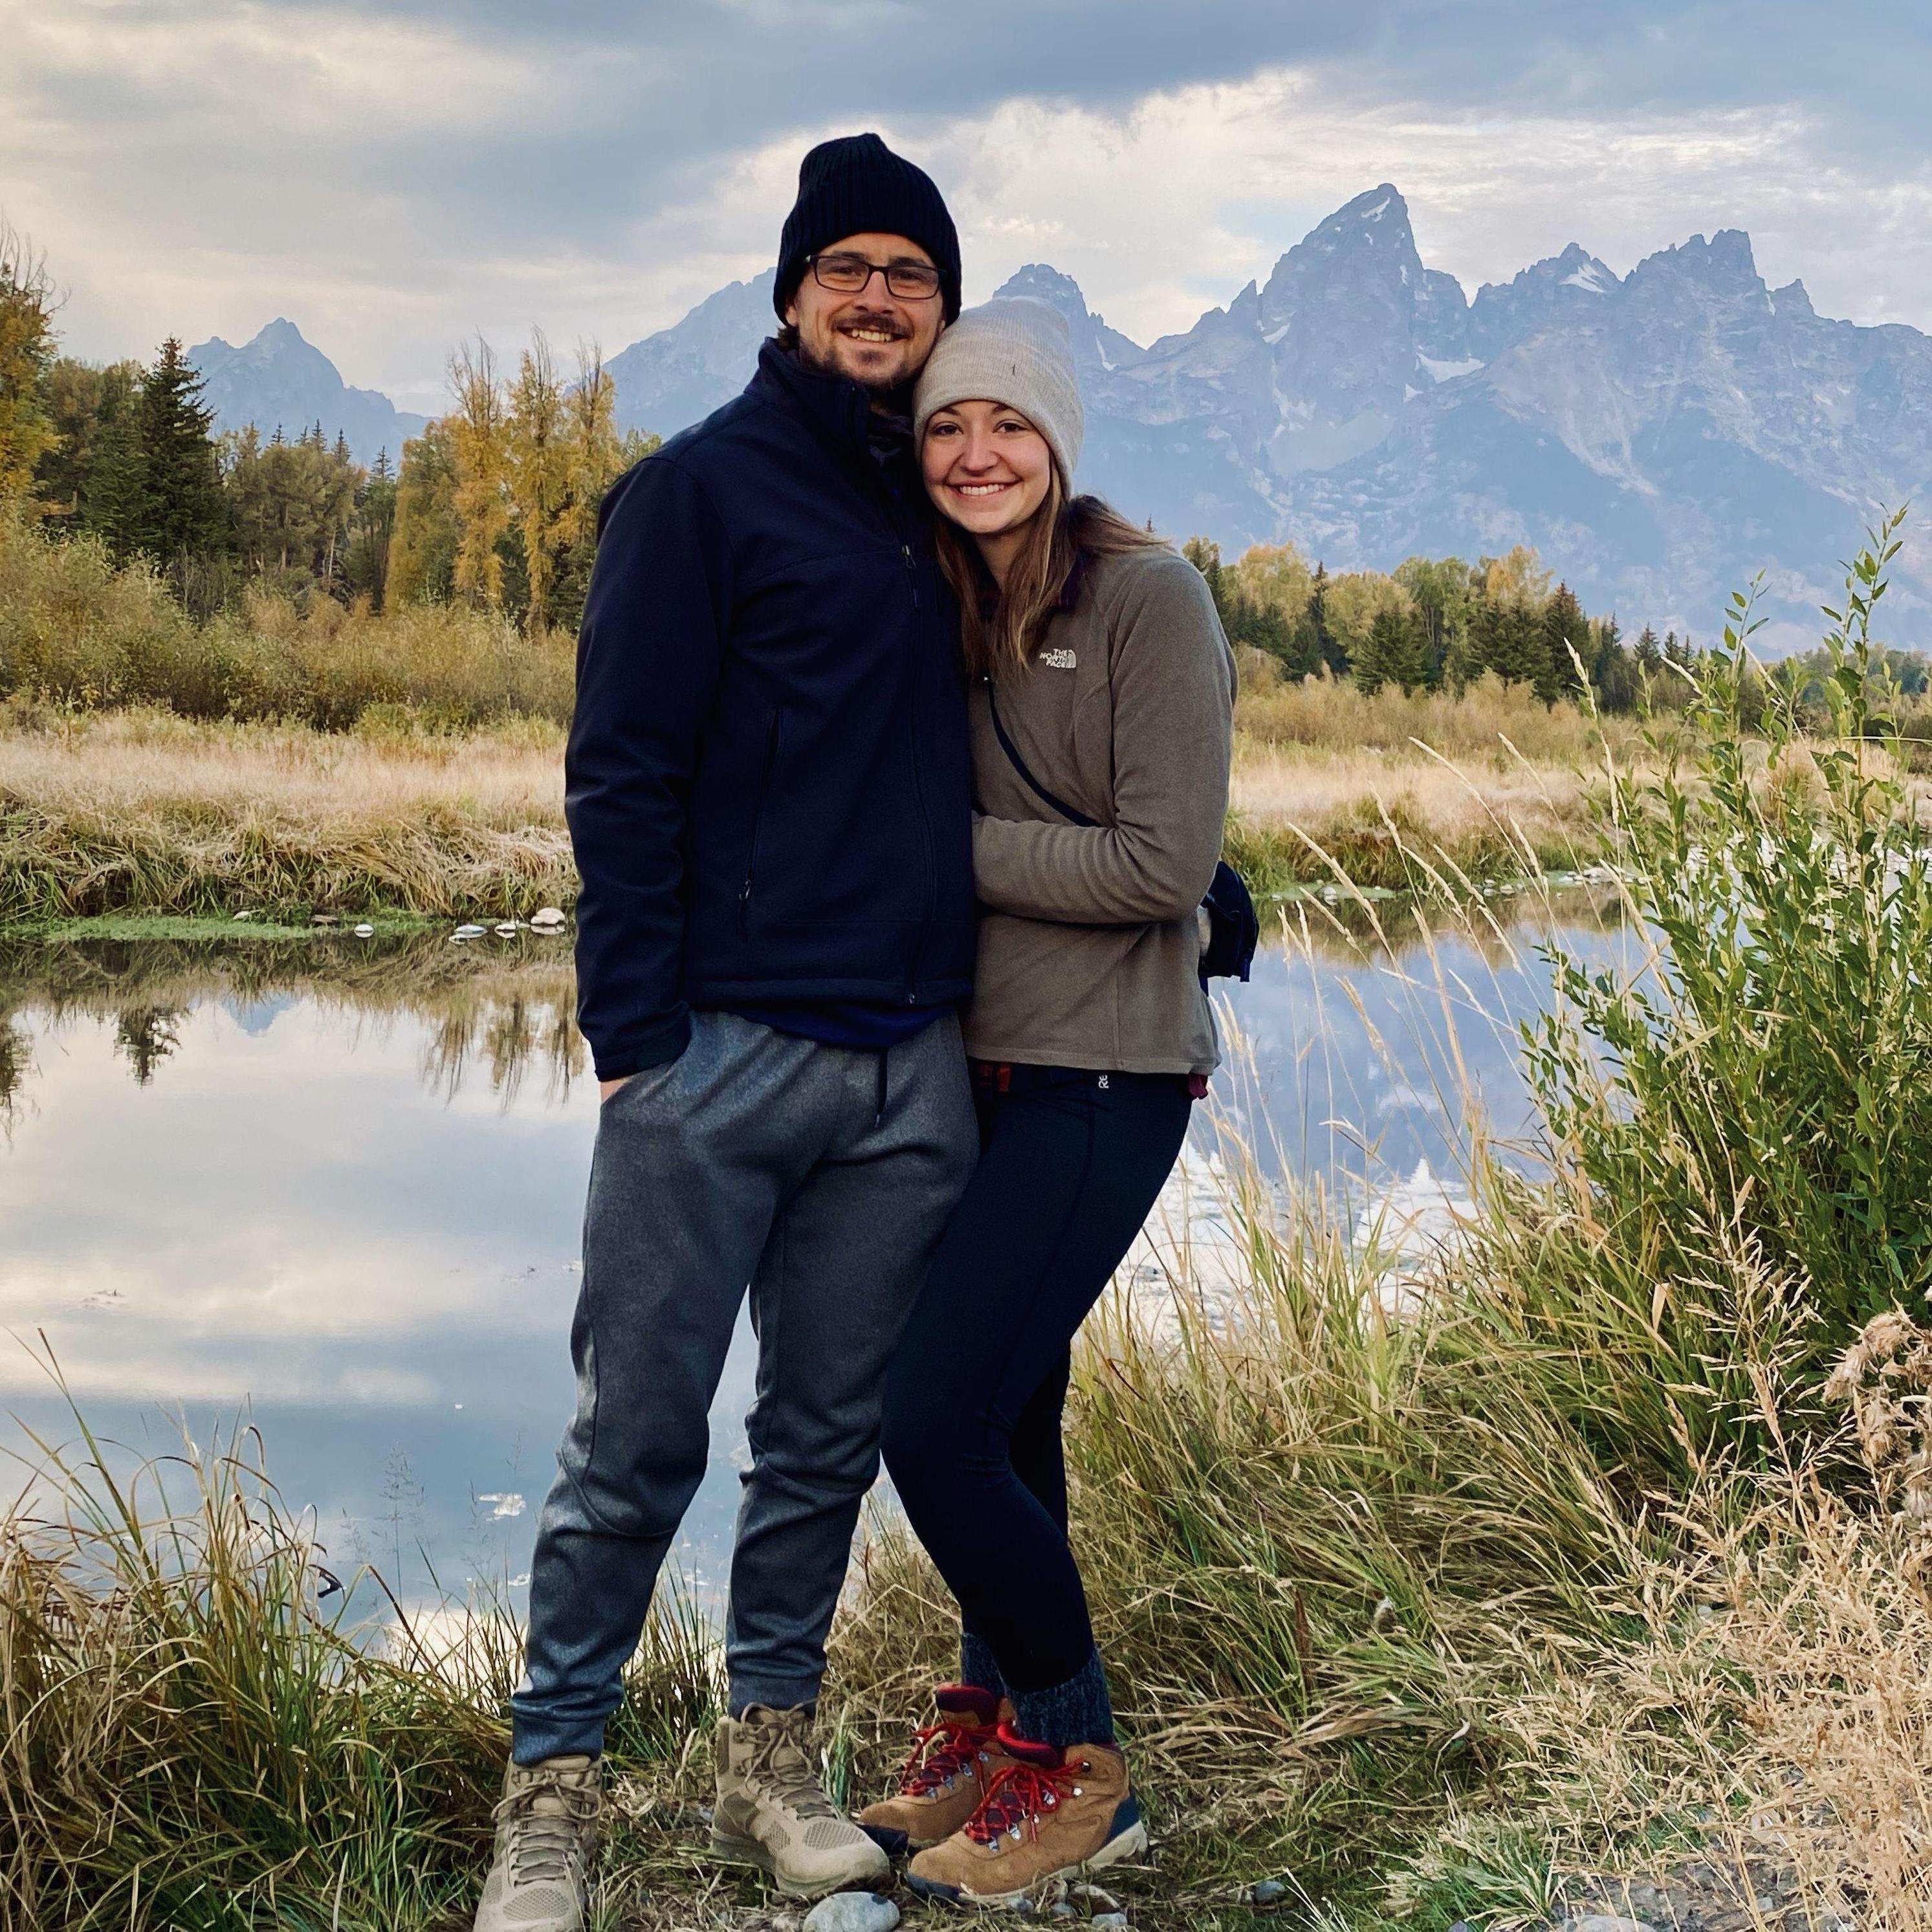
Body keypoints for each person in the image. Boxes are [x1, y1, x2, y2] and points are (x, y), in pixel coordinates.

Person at [473, 134, 982, 1932]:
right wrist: (633, 1038)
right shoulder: (698, 495)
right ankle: (552, 1797)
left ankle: (770, 1762)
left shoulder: (950, 501)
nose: (873, 297)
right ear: (790, 294)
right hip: (719, 1061)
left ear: (940, 310)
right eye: (844, 267)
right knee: (635, 1439)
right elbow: (619, 768)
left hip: (909, 1071)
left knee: (824, 1438)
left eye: (907, 274)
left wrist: (1187, 877)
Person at [858, 300, 1235, 1905]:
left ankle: (1084, 1767)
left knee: (928, 1426)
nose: (975, 451)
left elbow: (1163, 865)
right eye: (945, 427)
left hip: (1108, 1074)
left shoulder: (1150, 602)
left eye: (1003, 424)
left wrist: (934, 841)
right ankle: (994, 1728)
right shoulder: (942, 607)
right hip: (983, 1068)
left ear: (1056, 443)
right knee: (1008, 1414)